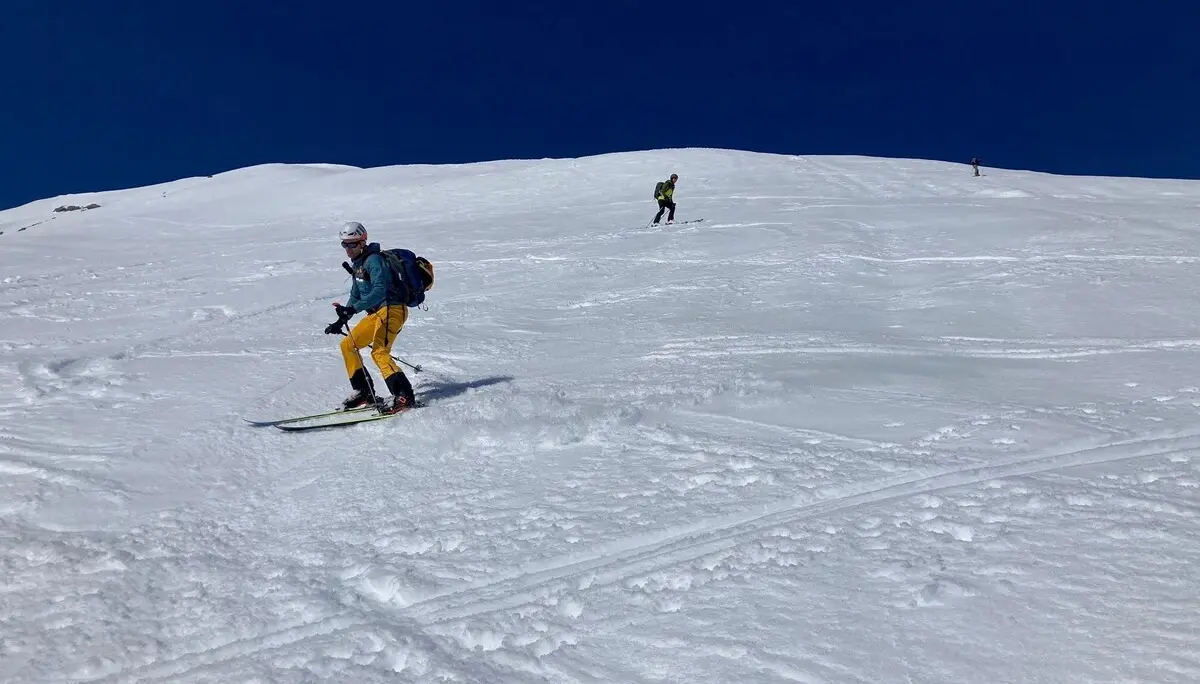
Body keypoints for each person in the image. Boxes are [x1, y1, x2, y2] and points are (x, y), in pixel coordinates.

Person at [329, 221, 417, 414]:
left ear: (363, 241)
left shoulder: (374, 261)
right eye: (345, 244)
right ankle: (363, 392)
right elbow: (356, 295)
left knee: (379, 352)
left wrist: (352, 309)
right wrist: (342, 318)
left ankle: (404, 396)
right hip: (376, 313)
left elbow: (379, 291)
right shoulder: (358, 264)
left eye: (352, 244)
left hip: (392, 309)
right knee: (348, 345)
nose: (348, 249)